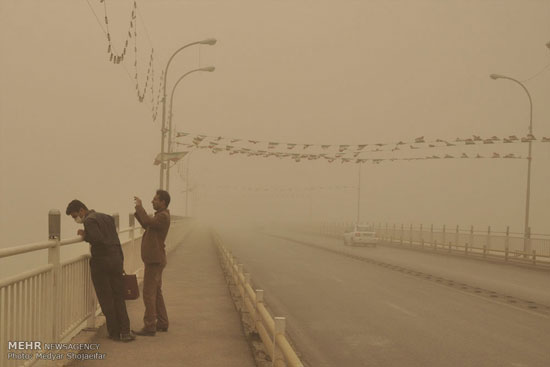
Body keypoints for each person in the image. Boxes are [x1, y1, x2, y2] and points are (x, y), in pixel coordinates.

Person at [65, 200, 135, 342]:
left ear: (81, 210)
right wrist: (120, 260)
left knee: (106, 299)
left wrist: (85, 236)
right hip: (116, 259)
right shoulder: (107, 217)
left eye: (74, 216)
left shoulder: (89, 221)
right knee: (118, 297)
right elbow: (114, 239)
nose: (75, 219)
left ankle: (114, 332)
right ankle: (125, 331)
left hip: (102, 263)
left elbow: (97, 238)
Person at [132, 190, 171, 336]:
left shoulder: (163, 216)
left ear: (163, 202)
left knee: (148, 293)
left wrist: (140, 207)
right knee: (156, 292)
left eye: (155, 200)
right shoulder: (160, 217)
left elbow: (148, 222)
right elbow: (146, 224)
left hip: (155, 260)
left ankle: (149, 326)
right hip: (155, 259)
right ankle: (162, 322)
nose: (152, 201)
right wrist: (139, 212)